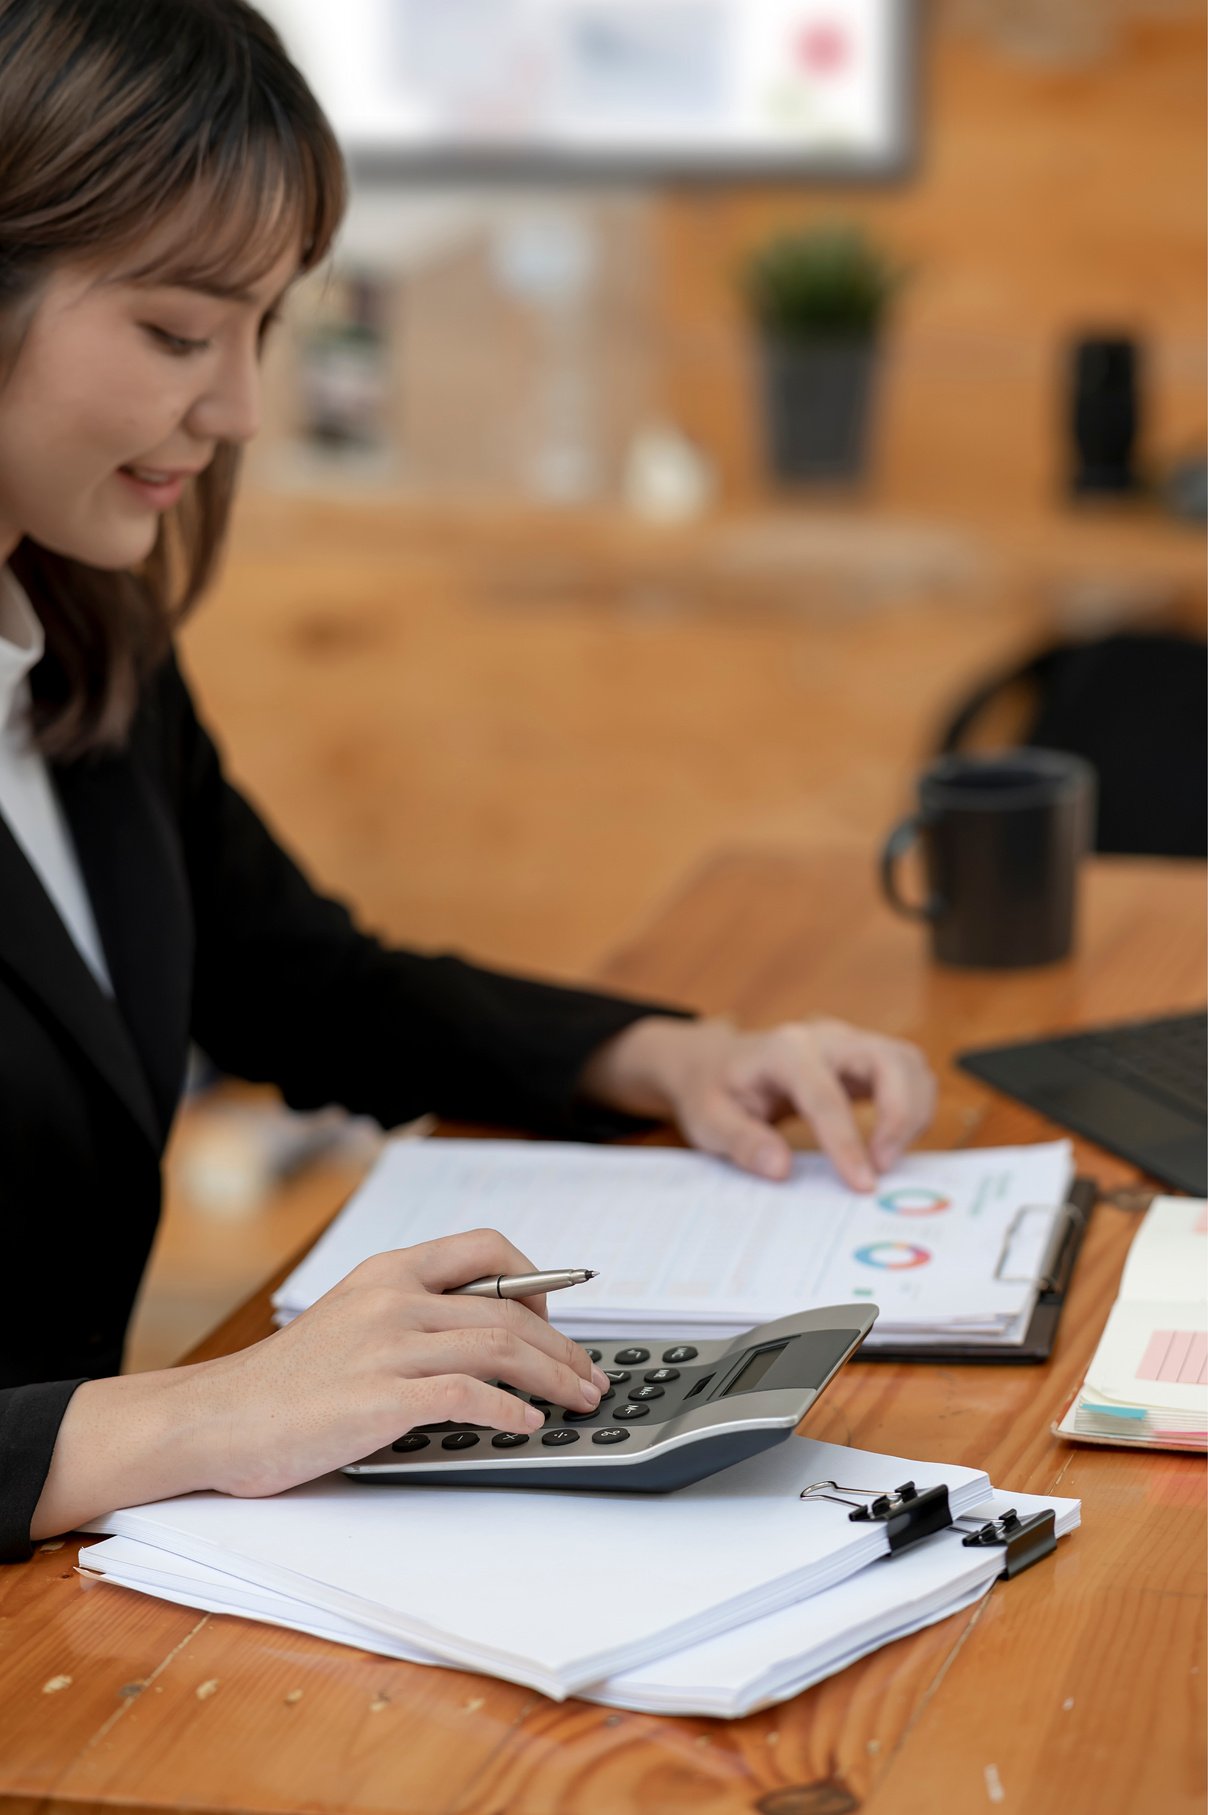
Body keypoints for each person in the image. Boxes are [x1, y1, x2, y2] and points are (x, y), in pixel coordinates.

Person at [0, 0, 936, 1563]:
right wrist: (195, 1413)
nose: (234, 411)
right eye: (176, 333)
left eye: (263, 332)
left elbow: (302, 980)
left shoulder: (81, 648)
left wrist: (671, 1059)